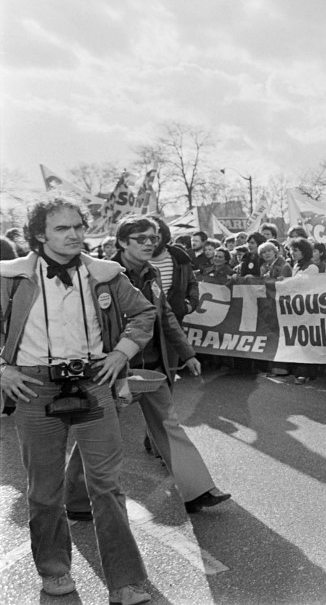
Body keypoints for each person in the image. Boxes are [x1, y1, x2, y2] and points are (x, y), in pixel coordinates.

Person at [0, 197, 153, 603]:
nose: (74, 235)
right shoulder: (10, 278)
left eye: (78, 227)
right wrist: (3, 369)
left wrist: (121, 353)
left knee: (107, 486)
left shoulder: (105, 274)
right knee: (44, 490)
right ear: (39, 235)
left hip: (93, 383)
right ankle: (53, 571)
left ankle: (124, 581)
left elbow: (143, 314)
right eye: (62, 229)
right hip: (33, 389)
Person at [66, 215, 231, 518]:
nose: (149, 243)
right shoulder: (100, 274)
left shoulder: (152, 272)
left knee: (169, 427)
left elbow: (165, 316)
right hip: (115, 370)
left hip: (154, 367)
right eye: (141, 238)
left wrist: (188, 353)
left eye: (153, 238)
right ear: (122, 242)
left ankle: (197, 491)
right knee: (96, 433)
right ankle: (75, 499)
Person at [151, 217, 199, 324]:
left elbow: (192, 284)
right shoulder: (133, 260)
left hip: (172, 323)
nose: (150, 243)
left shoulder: (179, 258)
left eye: (155, 238)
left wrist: (188, 307)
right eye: (144, 238)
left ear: (164, 237)